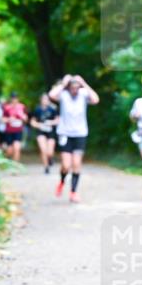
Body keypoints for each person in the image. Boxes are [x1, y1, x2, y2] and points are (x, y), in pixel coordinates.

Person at [48, 74, 100, 203]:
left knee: (76, 164)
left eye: (77, 87)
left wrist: (84, 83)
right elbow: (51, 95)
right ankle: (61, 181)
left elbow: (95, 99)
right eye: (72, 87)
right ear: (69, 87)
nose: (75, 89)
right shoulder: (63, 95)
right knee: (66, 165)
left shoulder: (83, 94)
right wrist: (64, 83)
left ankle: (73, 192)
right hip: (65, 133)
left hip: (80, 133)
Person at [30, 93, 59, 174]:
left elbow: (58, 120)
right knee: (43, 150)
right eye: (43, 99)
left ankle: (50, 159)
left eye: (46, 99)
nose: (45, 101)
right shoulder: (37, 109)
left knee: (50, 152)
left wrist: (51, 122)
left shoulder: (52, 109)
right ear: (41, 100)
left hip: (51, 132)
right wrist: (39, 125)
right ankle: (46, 167)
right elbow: (32, 122)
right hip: (41, 131)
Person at [1, 92, 28, 162]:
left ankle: (15, 167)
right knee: (9, 150)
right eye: (13, 98)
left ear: (18, 99)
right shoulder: (7, 107)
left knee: (17, 148)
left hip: (18, 131)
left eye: (15, 98)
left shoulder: (22, 107)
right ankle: (6, 160)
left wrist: (22, 116)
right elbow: (2, 119)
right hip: (9, 131)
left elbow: (26, 119)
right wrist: (9, 119)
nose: (14, 100)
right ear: (10, 99)